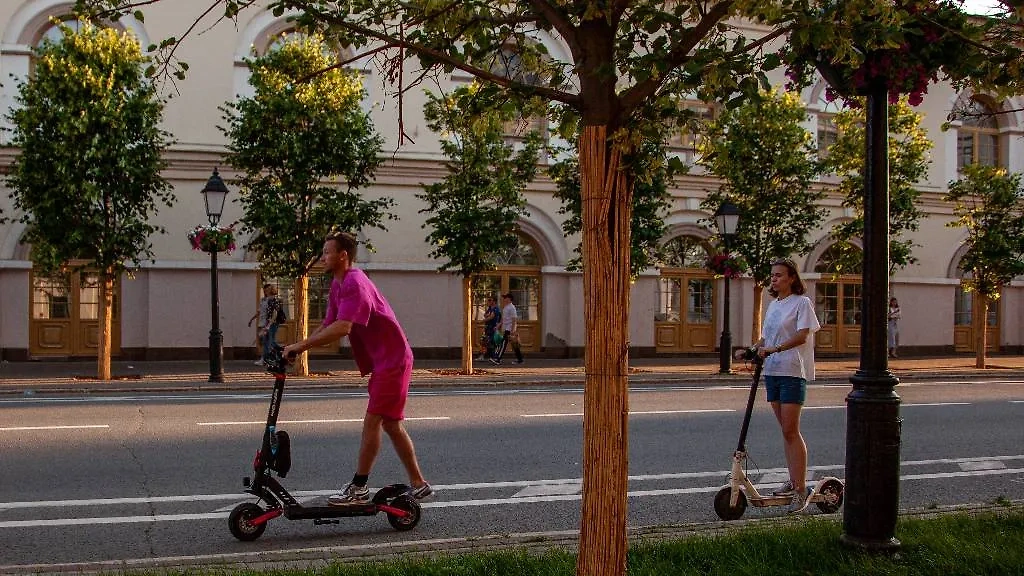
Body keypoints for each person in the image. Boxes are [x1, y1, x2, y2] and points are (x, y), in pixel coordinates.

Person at [283, 231, 432, 505]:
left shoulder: (355, 282)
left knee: (374, 421)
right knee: (392, 425)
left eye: (327, 251)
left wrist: (299, 348)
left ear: (343, 255)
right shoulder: (338, 285)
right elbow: (328, 324)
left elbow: (343, 327)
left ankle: (359, 487)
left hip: (394, 359)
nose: (323, 256)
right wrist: (296, 345)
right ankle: (419, 483)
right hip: (384, 360)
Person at [735, 257, 820, 513]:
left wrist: (776, 348)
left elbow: (802, 335)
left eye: (780, 275)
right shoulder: (774, 305)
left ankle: (801, 488)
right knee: (786, 431)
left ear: (792, 278)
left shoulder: (801, 303)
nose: (774, 279)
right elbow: (766, 337)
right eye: (772, 275)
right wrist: (751, 350)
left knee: (792, 430)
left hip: (792, 370)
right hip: (771, 370)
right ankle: (794, 481)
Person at [249, 283, 283, 365]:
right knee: (269, 342)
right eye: (265, 289)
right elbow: (260, 312)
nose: (266, 291)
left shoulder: (274, 300)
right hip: (264, 323)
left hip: (271, 324)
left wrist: (268, 325)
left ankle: (265, 359)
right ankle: (283, 352)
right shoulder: (264, 300)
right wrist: (252, 319)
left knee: (267, 342)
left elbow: (274, 314)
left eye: (268, 289)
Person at [490, 292, 523, 365]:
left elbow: (514, 319)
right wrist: (498, 325)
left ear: (509, 299)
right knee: (514, 345)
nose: (504, 299)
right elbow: (503, 319)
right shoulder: (506, 307)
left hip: (509, 329)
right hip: (506, 328)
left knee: (503, 343)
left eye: (505, 298)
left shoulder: (512, 307)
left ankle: (498, 359)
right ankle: (520, 359)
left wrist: (513, 330)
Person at [479, 296, 501, 361]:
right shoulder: (490, 308)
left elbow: (491, 317)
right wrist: (487, 316)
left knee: (491, 342)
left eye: (489, 300)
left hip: (493, 328)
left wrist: (483, 320)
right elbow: (485, 315)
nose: (488, 302)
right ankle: (487, 356)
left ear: (494, 301)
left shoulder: (496, 309)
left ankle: (494, 356)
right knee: (485, 341)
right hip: (488, 327)